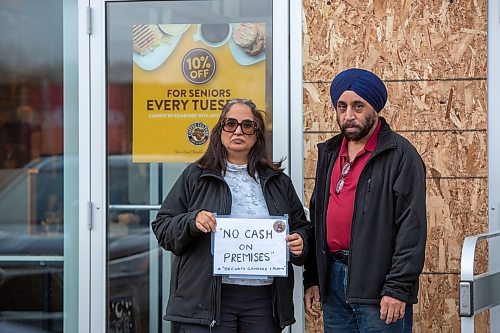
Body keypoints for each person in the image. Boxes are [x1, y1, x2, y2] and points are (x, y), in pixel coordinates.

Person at [152, 99, 312, 332]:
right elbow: (163, 227)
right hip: (207, 299)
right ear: (220, 131)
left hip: (264, 301)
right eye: (230, 123)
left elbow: (302, 228)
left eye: (248, 125)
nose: (238, 130)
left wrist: (301, 241)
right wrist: (192, 221)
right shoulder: (196, 176)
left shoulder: (278, 181)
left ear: (257, 135)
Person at [303, 68, 427, 332]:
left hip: (379, 287)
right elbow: (318, 220)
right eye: (342, 106)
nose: (348, 115)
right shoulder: (329, 153)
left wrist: (397, 288)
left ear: (375, 108)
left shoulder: (400, 155)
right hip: (333, 282)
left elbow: (411, 229)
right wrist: (313, 278)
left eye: (358, 106)